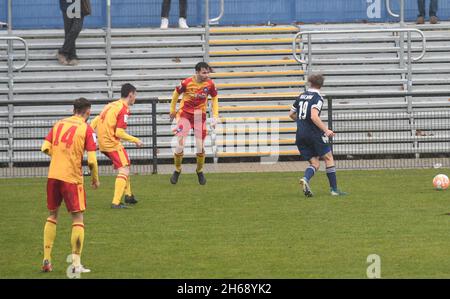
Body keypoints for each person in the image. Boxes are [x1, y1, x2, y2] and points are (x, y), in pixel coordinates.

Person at [40, 97, 100, 274]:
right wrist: (95, 178)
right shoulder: (87, 129)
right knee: (77, 219)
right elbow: (92, 161)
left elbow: (44, 147)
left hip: (53, 175)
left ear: (73, 109)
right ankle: (75, 264)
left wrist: (59, 157)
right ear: (87, 112)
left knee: (52, 215)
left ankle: (46, 259)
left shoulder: (58, 124)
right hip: (71, 178)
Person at [288, 74, 346, 197]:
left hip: (300, 134)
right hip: (313, 134)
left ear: (310, 83)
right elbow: (314, 116)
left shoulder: (301, 96)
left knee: (315, 163)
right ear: (321, 85)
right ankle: (334, 190)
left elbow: (291, 114)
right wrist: (326, 130)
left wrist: (301, 123)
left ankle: (305, 179)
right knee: (328, 158)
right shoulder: (317, 98)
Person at [90, 83, 143, 209]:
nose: (135, 98)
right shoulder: (123, 109)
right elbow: (119, 132)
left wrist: (92, 136)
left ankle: (129, 195)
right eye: (135, 95)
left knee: (125, 164)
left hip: (104, 142)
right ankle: (116, 202)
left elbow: (96, 120)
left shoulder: (111, 105)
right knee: (124, 168)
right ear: (130, 95)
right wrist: (135, 140)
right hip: (112, 143)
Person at [169, 62, 219, 185]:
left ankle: (199, 171)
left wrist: (215, 116)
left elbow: (215, 98)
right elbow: (176, 94)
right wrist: (172, 110)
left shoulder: (210, 84)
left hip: (199, 116)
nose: (206, 75)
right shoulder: (186, 82)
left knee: (200, 146)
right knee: (180, 144)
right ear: (197, 72)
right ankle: (177, 170)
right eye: (204, 72)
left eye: (207, 72)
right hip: (184, 114)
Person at [57, 0, 91, 65]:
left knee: (76, 28)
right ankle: (72, 56)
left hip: (78, 3)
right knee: (69, 30)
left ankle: (62, 52)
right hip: (67, 4)